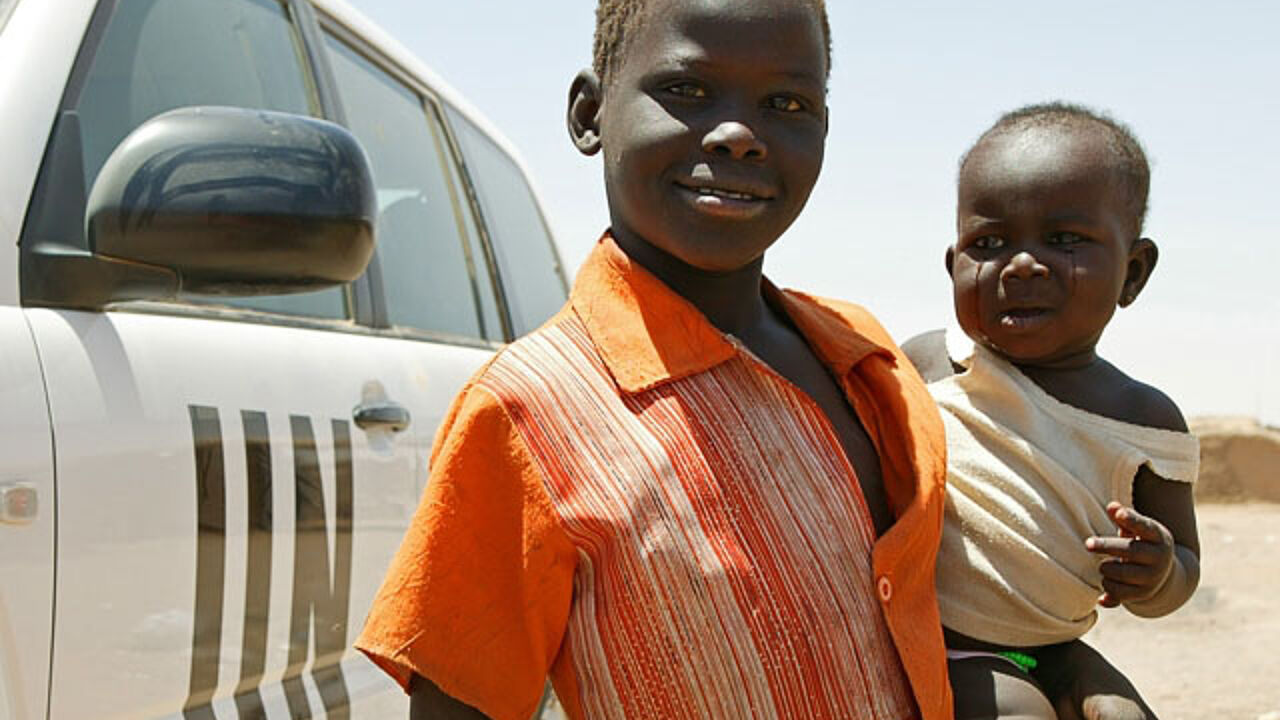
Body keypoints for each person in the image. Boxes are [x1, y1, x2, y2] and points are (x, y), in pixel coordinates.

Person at [355, 0, 954, 718]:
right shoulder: (527, 416)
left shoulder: (862, 356)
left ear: (822, 127)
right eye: (687, 91)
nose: (738, 135)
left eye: (785, 102)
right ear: (589, 113)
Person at [903, 103, 1201, 720]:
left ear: (1133, 272)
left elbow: (1185, 569)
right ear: (953, 264)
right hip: (949, 642)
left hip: (1061, 645)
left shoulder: (1144, 421)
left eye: (1064, 240)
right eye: (988, 242)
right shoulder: (930, 367)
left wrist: (1159, 571)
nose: (1021, 263)